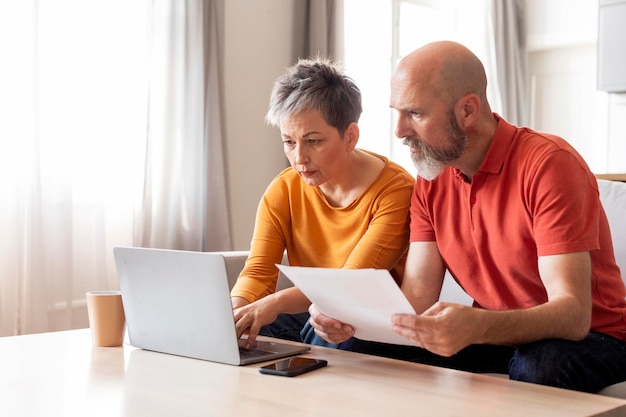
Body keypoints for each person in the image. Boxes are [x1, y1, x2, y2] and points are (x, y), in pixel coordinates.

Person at [307, 40, 626, 394]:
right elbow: (417, 297)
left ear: (468, 110)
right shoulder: (432, 178)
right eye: (397, 112)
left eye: (415, 113)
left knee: (541, 363)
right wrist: (351, 317)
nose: (399, 130)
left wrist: (478, 326)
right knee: (345, 344)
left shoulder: (549, 164)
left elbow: (573, 315)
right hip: (495, 338)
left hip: (595, 338)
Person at [230, 57, 415, 349]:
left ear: (350, 136)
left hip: (373, 318)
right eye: (289, 142)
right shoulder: (284, 189)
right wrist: (234, 312)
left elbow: (350, 284)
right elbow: (257, 272)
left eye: (313, 141)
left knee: (332, 330)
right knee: (245, 328)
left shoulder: (395, 191)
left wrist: (275, 302)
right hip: (317, 309)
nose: (299, 158)